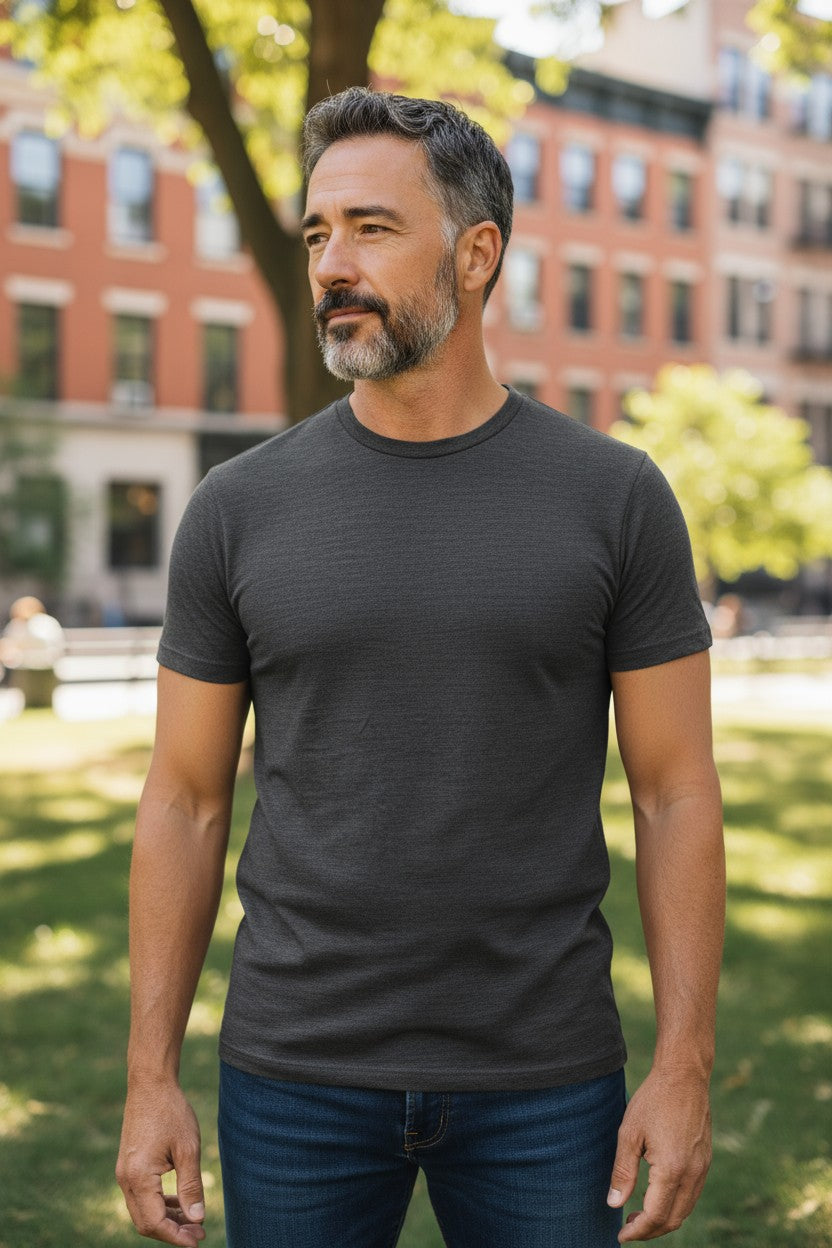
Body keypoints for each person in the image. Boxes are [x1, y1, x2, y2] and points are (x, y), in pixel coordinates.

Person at [116, 88, 725, 1248]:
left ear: (477, 253)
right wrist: (151, 1076)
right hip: (294, 1073)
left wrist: (685, 1064)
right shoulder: (237, 510)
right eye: (315, 233)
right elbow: (185, 800)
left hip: (546, 1078)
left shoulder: (615, 499)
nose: (331, 264)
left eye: (371, 229)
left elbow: (676, 792)